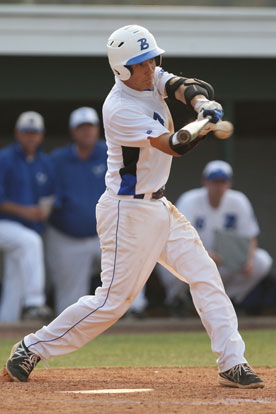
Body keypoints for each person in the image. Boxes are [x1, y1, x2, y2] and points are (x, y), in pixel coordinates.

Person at [4, 25, 264, 389]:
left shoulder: (151, 76)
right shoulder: (118, 108)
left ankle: (232, 362)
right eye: (140, 64)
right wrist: (201, 127)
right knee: (112, 301)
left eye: (152, 59)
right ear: (122, 70)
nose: (150, 68)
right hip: (127, 212)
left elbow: (185, 86)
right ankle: (31, 348)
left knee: (205, 274)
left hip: (159, 205)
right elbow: (174, 144)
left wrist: (201, 104)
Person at [168, 160, 272, 313]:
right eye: (214, 181)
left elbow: (251, 236)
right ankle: (177, 300)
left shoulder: (238, 201)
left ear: (229, 183)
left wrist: (247, 259)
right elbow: (176, 236)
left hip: (224, 263)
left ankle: (230, 299)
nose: (218, 186)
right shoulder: (189, 200)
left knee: (262, 260)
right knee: (171, 259)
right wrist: (204, 254)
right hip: (194, 260)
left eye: (222, 182)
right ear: (205, 182)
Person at [45, 107, 107, 315]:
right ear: (73, 132)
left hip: (104, 235)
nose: (86, 132)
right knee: (70, 300)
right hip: (66, 236)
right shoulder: (57, 159)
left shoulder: (111, 153)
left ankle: (137, 313)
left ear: (97, 129)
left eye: (90, 127)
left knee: (129, 272)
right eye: (81, 128)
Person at [0, 111, 55, 322]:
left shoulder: (44, 162)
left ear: (41, 135)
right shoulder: (5, 158)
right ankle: (34, 302)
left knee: (16, 279)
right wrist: (24, 211)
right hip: (4, 224)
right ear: (17, 133)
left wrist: (43, 212)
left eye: (35, 133)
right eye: (26, 132)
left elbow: (49, 196)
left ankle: (6, 325)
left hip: (25, 228)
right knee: (30, 242)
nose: (31, 137)